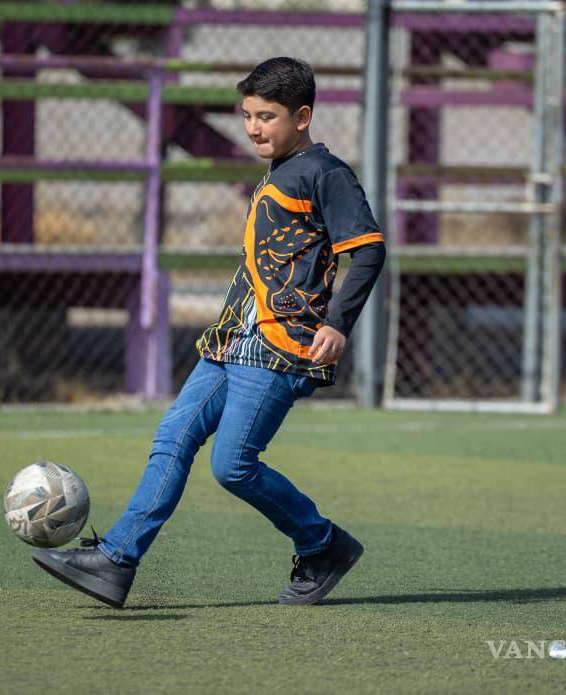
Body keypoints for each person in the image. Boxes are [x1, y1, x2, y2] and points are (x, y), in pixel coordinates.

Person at [33, 57, 386, 608]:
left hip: (280, 349)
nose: (252, 127)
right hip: (231, 341)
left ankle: (324, 545)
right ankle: (115, 561)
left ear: (302, 116)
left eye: (266, 117)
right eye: (246, 115)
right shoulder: (277, 171)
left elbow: (366, 251)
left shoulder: (327, 173)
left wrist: (338, 325)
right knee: (172, 438)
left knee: (232, 466)